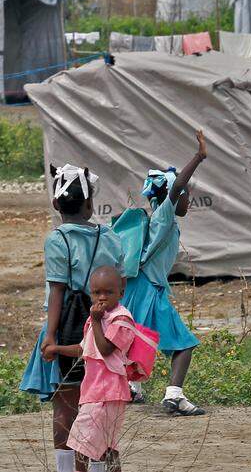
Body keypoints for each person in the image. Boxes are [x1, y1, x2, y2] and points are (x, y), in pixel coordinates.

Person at [21, 165, 124, 472]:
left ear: (56, 204)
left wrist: (50, 337)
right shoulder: (111, 237)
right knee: (99, 409)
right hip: (104, 329)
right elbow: (122, 284)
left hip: (67, 328)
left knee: (66, 408)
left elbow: (57, 291)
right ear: (90, 205)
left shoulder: (57, 240)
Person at [122, 130, 207, 416]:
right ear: (175, 196)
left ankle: (132, 389)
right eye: (186, 197)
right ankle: (173, 395)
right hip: (149, 288)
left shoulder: (155, 220)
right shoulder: (164, 215)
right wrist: (199, 157)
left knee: (131, 339)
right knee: (184, 344)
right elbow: (177, 187)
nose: (188, 202)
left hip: (138, 287)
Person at [47, 266, 137, 472]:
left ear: (121, 293)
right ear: (90, 293)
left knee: (80, 444)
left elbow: (105, 349)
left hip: (106, 394)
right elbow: (84, 348)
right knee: (106, 448)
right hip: (96, 393)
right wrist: (56, 349)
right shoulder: (96, 318)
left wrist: (96, 321)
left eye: (108, 292)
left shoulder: (121, 319)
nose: (102, 298)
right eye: (97, 293)